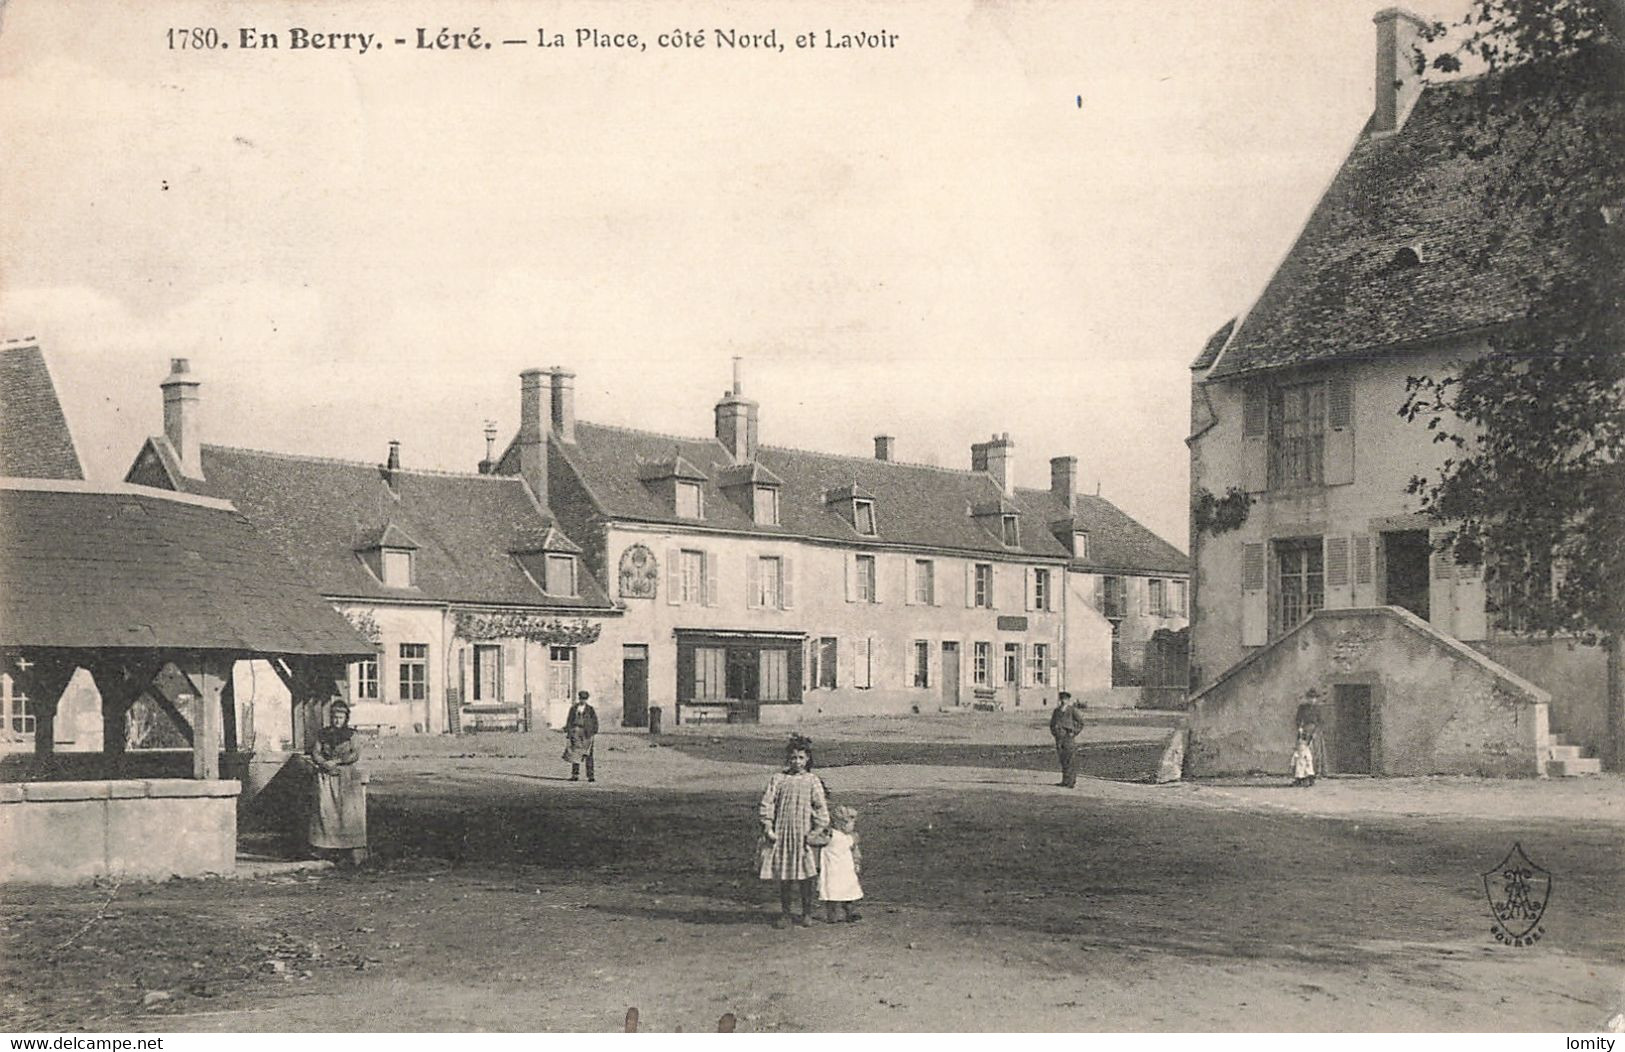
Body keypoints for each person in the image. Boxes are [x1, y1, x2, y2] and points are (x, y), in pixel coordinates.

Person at [757, 734, 830, 929]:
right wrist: (768, 826)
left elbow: (820, 807)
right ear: (788, 759)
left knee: (806, 875)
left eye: (801, 758)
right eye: (793, 758)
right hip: (783, 834)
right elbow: (768, 803)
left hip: (803, 835)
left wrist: (817, 830)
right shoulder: (779, 779)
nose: (796, 762)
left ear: (807, 760)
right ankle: (786, 913)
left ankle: (807, 913)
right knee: (785, 875)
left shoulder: (812, 780)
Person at [306, 700, 367, 863]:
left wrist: (338, 761)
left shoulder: (352, 735)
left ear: (346, 718)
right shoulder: (323, 734)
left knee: (347, 813)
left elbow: (355, 754)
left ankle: (350, 849)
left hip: (345, 777)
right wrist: (324, 763)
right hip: (326, 777)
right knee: (325, 811)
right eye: (334, 717)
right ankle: (324, 848)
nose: (337, 720)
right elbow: (316, 752)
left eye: (340, 717)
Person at [819, 805, 864, 923]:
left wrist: (857, 862)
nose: (853, 826)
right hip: (832, 869)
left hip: (846, 870)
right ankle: (831, 915)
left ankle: (849, 912)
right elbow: (815, 841)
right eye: (850, 823)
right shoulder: (831, 835)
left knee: (849, 891)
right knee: (832, 891)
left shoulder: (851, 837)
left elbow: (855, 851)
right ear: (841, 824)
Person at [563, 690, 599, 782]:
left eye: (584, 699)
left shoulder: (590, 709)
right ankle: (575, 775)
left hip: (587, 733)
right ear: (579, 699)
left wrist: (593, 732)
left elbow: (595, 721)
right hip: (576, 732)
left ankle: (590, 775)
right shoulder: (574, 708)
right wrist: (569, 731)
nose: (583, 700)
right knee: (575, 753)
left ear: (587, 699)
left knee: (588, 754)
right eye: (581, 699)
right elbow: (569, 720)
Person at [1050, 692, 1085, 787]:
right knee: (1062, 759)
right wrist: (1054, 733)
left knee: (1070, 759)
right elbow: (1052, 724)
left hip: (1068, 737)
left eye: (1065, 699)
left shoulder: (1072, 710)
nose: (1062, 701)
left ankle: (1071, 781)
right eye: (1061, 699)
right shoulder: (1056, 711)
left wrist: (1074, 732)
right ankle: (1065, 780)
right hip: (1059, 738)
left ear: (1068, 701)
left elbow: (1081, 723)